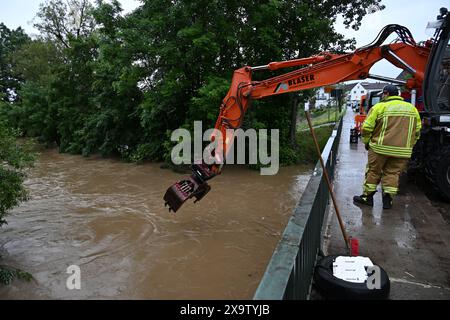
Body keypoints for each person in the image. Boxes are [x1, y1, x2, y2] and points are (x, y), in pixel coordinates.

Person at [353, 84, 422, 209]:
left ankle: (367, 198)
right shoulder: (412, 109)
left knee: (373, 172)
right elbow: (417, 131)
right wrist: (409, 145)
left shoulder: (379, 107)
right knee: (393, 173)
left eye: (383, 94)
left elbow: (366, 128)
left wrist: (367, 142)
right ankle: (387, 200)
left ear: (386, 94)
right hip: (402, 151)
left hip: (379, 148)